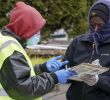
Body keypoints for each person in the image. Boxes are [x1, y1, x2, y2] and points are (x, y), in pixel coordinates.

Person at [0, 1, 76, 100]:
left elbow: (15, 77)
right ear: (25, 28)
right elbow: (26, 89)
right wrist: (54, 78)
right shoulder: (11, 48)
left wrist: (42, 68)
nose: (38, 34)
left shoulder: (6, 41)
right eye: (36, 31)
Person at [64, 0, 110, 100]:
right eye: (93, 25)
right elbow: (65, 67)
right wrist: (64, 73)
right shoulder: (78, 42)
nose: (96, 29)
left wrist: (98, 80)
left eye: (101, 25)